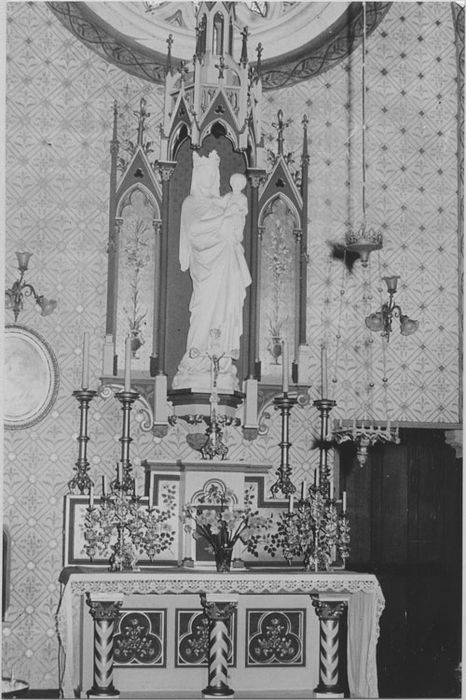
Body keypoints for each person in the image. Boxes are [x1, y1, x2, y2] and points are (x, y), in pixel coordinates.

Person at [173, 151, 251, 393]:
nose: (208, 179)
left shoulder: (224, 202)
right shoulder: (191, 203)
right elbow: (195, 231)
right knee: (203, 312)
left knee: (226, 311)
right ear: (197, 175)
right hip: (206, 269)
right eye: (204, 173)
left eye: (212, 174)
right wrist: (225, 217)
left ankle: (222, 363)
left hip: (226, 267)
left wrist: (236, 214)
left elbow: (236, 233)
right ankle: (196, 362)